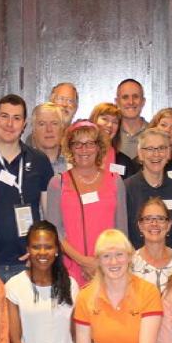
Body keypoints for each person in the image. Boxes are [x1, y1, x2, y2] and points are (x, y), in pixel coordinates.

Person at [0, 94, 55, 283]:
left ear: (24, 124)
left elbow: (49, 214)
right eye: (4, 116)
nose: (10, 124)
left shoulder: (39, 160)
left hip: (27, 262)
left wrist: (40, 250)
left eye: (16, 118)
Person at [45, 119, 128, 285]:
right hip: (70, 268)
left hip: (109, 268)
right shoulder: (57, 183)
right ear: (70, 148)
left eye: (90, 143)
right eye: (78, 144)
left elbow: (121, 231)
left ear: (98, 147)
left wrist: (101, 262)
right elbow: (55, 233)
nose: (84, 150)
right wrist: (83, 261)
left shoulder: (115, 180)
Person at [124, 128, 172, 249]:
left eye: (161, 148)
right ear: (140, 154)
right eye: (150, 149)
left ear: (168, 153)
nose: (156, 154)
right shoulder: (126, 189)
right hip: (136, 263)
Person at [131, 197, 172, 293]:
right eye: (148, 219)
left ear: (169, 225)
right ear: (140, 225)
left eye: (160, 219)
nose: (154, 223)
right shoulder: (130, 263)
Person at [90, 102, 139, 178]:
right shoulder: (79, 154)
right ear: (93, 121)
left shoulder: (124, 162)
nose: (110, 125)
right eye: (105, 119)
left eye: (115, 122)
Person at [28, 102, 67, 174]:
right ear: (33, 130)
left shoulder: (75, 165)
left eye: (54, 123)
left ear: (62, 128)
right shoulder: (21, 165)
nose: (49, 129)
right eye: (42, 124)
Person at [114, 78, 148, 159]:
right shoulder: (110, 133)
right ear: (117, 102)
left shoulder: (155, 133)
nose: (131, 102)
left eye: (135, 97)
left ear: (143, 101)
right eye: (125, 97)